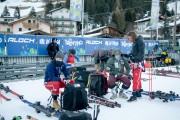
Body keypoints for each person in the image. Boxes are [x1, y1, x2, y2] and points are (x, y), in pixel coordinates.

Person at [127, 31, 145, 102]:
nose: (129, 39)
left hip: (138, 62)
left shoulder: (140, 41)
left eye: (130, 38)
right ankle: (138, 91)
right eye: (128, 38)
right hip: (135, 61)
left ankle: (134, 94)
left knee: (135, 78)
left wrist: (136, 60)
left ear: (133, 36)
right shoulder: (135, 42)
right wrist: (130, 55)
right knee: (137, 77)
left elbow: (141, 52)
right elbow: (134, 51)